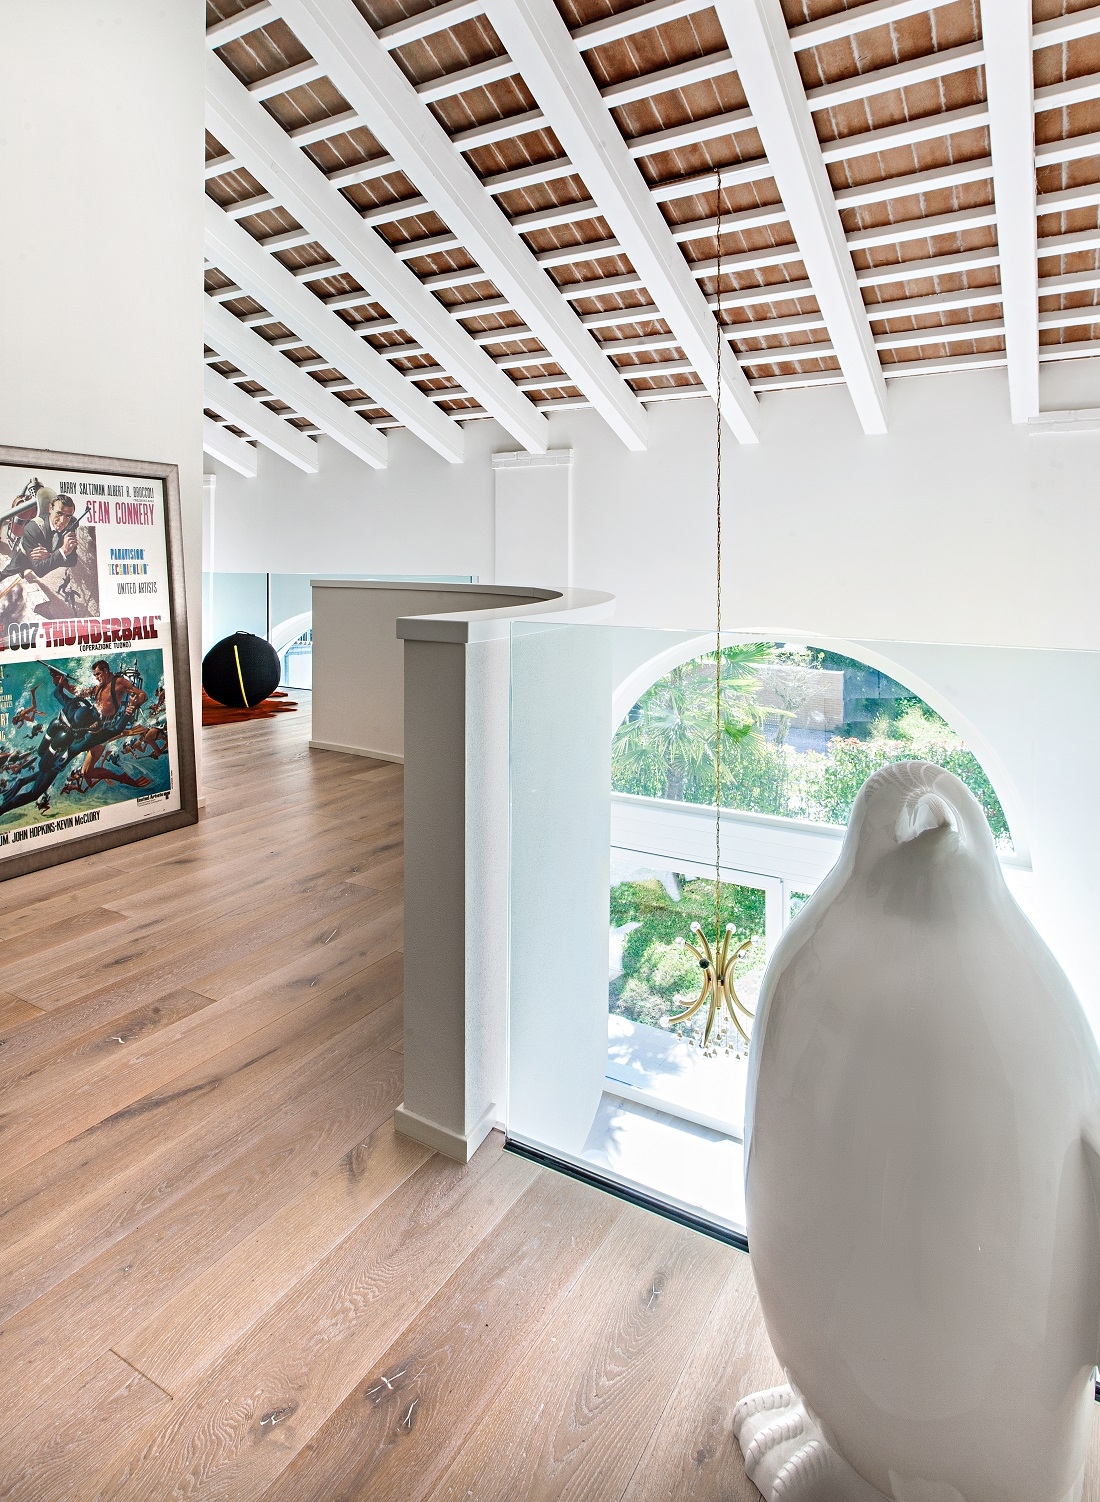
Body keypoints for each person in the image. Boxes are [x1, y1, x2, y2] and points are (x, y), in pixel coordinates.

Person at [0, 490, 78, 580]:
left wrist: (50, 555)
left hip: (45, 555)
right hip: (25, 556)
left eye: (68, 516)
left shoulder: (72, 523)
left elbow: (72, 561)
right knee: (10, 570)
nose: (62, 521)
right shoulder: (32, 528)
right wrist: (62, 551)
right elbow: (40, 571)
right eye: (59, 513)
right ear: (50, 508)